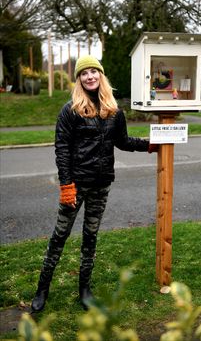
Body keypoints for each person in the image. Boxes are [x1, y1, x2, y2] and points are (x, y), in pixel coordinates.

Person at [31, 55, 158, 312]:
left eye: (94, 72)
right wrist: (66, 185)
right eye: (84, 73)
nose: (90, 76)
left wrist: (149, 145)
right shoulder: (70, 110)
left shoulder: (113, 111)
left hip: (102, 185)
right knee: (60, 236)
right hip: (76, 186)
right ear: (79, 79)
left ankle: (84, 290)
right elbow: (62, 149)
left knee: (91, 237)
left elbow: (122, 141)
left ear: (101, 75)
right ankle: (42, 289)